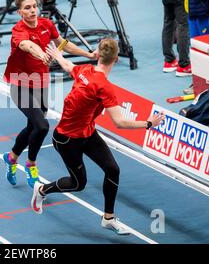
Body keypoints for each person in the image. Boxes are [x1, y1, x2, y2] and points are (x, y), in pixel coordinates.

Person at [30, 39, 165, 235]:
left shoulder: (85, 70)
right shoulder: (104, 87)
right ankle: (41, 190)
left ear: (98, 55)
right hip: (66, 140)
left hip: (87, 132)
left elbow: (69, 66)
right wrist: (149, 123)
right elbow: (120, 122)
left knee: (112, 169)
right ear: (116, 59)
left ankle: (108, 218)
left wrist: (58, 55)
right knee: (78, 184)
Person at [2, 0, 98, 188]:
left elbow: (63, 44)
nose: (32, 10)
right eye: (27, 8)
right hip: (20, 84)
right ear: (20, 12)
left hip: (40, 83)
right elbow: (28, 45)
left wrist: (87, 54)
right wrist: (42, 56)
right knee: (42, 126)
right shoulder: (18, 31)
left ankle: (11, 157)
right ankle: (31, 164)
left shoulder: (46, 24)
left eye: (34, 6)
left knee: (33, 127)